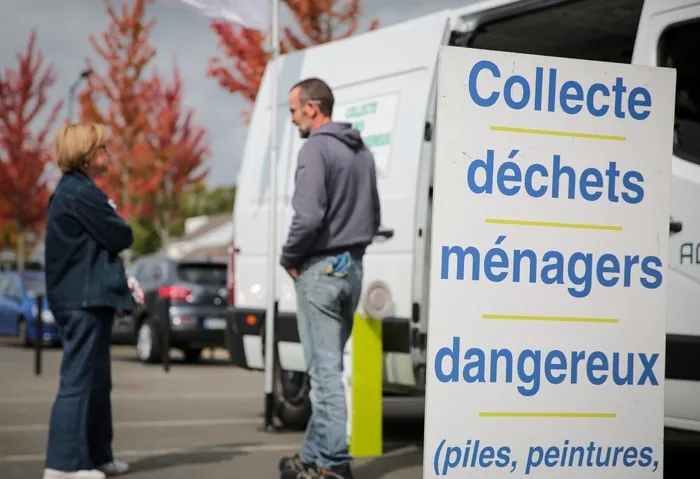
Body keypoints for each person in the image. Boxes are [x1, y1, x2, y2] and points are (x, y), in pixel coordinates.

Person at [278, 78, 381, 479]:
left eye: (293, 110)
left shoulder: (315, 148)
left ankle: (334, 465)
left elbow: (308, 218)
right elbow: (372, 217)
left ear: (313, 108)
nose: (291, 119)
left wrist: (289, 257)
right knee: (328, 370)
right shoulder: (361, 152)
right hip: (352, 268)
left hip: (320, 271)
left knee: (324, 377)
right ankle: (313, 456)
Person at [43, 121, 134, 479]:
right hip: (82, 301)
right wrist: (117, 220)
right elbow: (120, 233)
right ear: (84, 155)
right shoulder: (80, 193)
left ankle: (97, 456)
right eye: (102, 149)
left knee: (96, 380)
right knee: (79, 380)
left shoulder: (76, 191)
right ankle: (64, 465)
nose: (108, 154)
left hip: (85, 299)